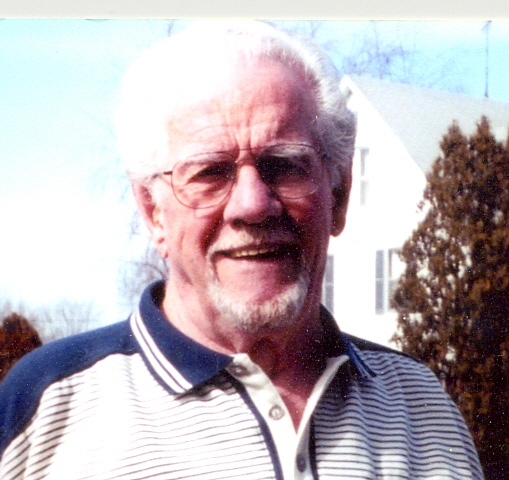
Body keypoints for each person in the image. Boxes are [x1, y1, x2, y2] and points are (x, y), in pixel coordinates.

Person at [0, 21, 483, 480]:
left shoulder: (422, 409)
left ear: (337, 196)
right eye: (210, 172)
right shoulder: (47, 410)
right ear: (153, 212)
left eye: (285, 165)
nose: (253, 205)